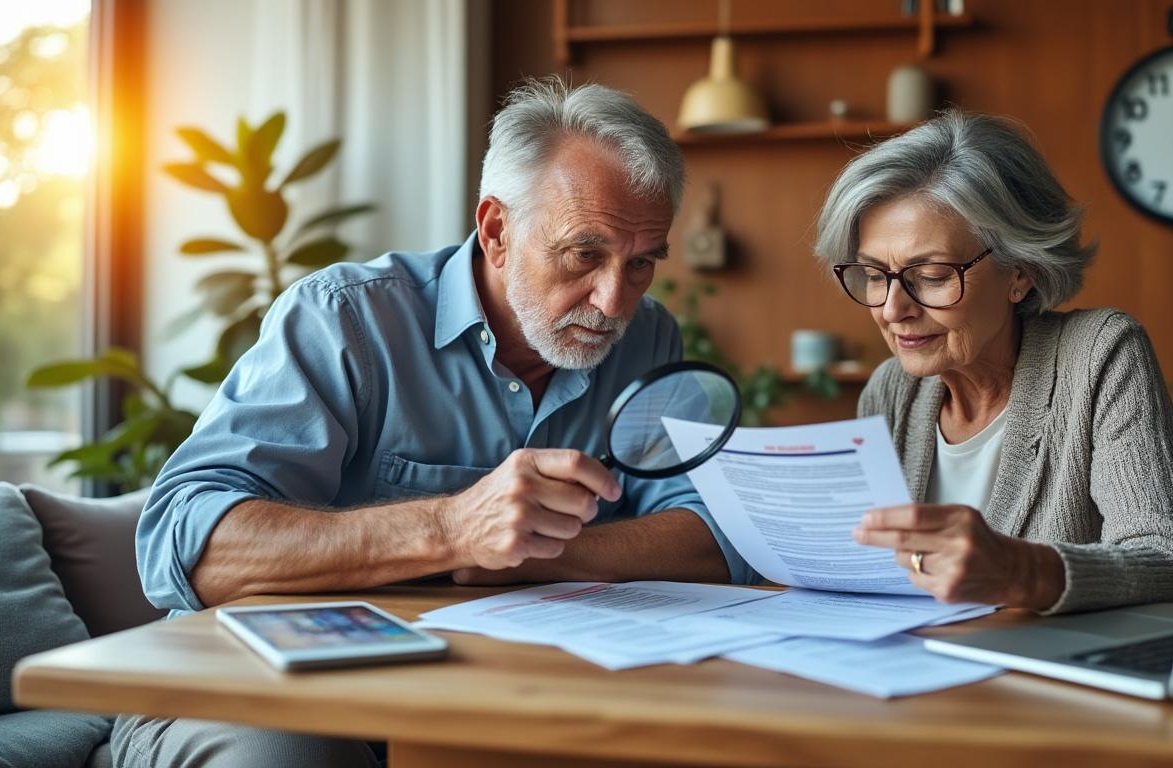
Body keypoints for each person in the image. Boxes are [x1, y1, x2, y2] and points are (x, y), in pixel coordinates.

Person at [114, 77, 754, 768]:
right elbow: (190, 547)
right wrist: (451, 530)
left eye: (641, 264)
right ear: (498, 230)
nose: (612, 301)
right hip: (251, 685)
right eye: (585, 254)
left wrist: (531, 551)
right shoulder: (345, 320)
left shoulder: (647, 338)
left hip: (490, 690)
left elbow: (715, 536)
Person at [814, 111, 1173, 615]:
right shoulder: (890, 390)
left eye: (929, 275)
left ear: (1020, 272)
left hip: (1042, 679)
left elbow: (1170, 562)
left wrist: (1019, 571)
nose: (891, 309)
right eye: (872, 274)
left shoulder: (1099, 355)